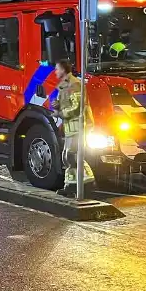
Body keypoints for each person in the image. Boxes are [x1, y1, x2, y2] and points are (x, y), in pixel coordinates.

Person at [53, 58, 92, 195]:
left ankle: (87, 181)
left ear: (63, 70)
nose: (55, 71)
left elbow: (77, 107)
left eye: (57, 69)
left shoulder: (74, 84)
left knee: (73, 155)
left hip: (77, 125)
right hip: (70, 125)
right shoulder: (65, 84)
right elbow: (66, 102)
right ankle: (70, 184)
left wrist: (61, 113)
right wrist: (57, 105)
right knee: (67, 156)